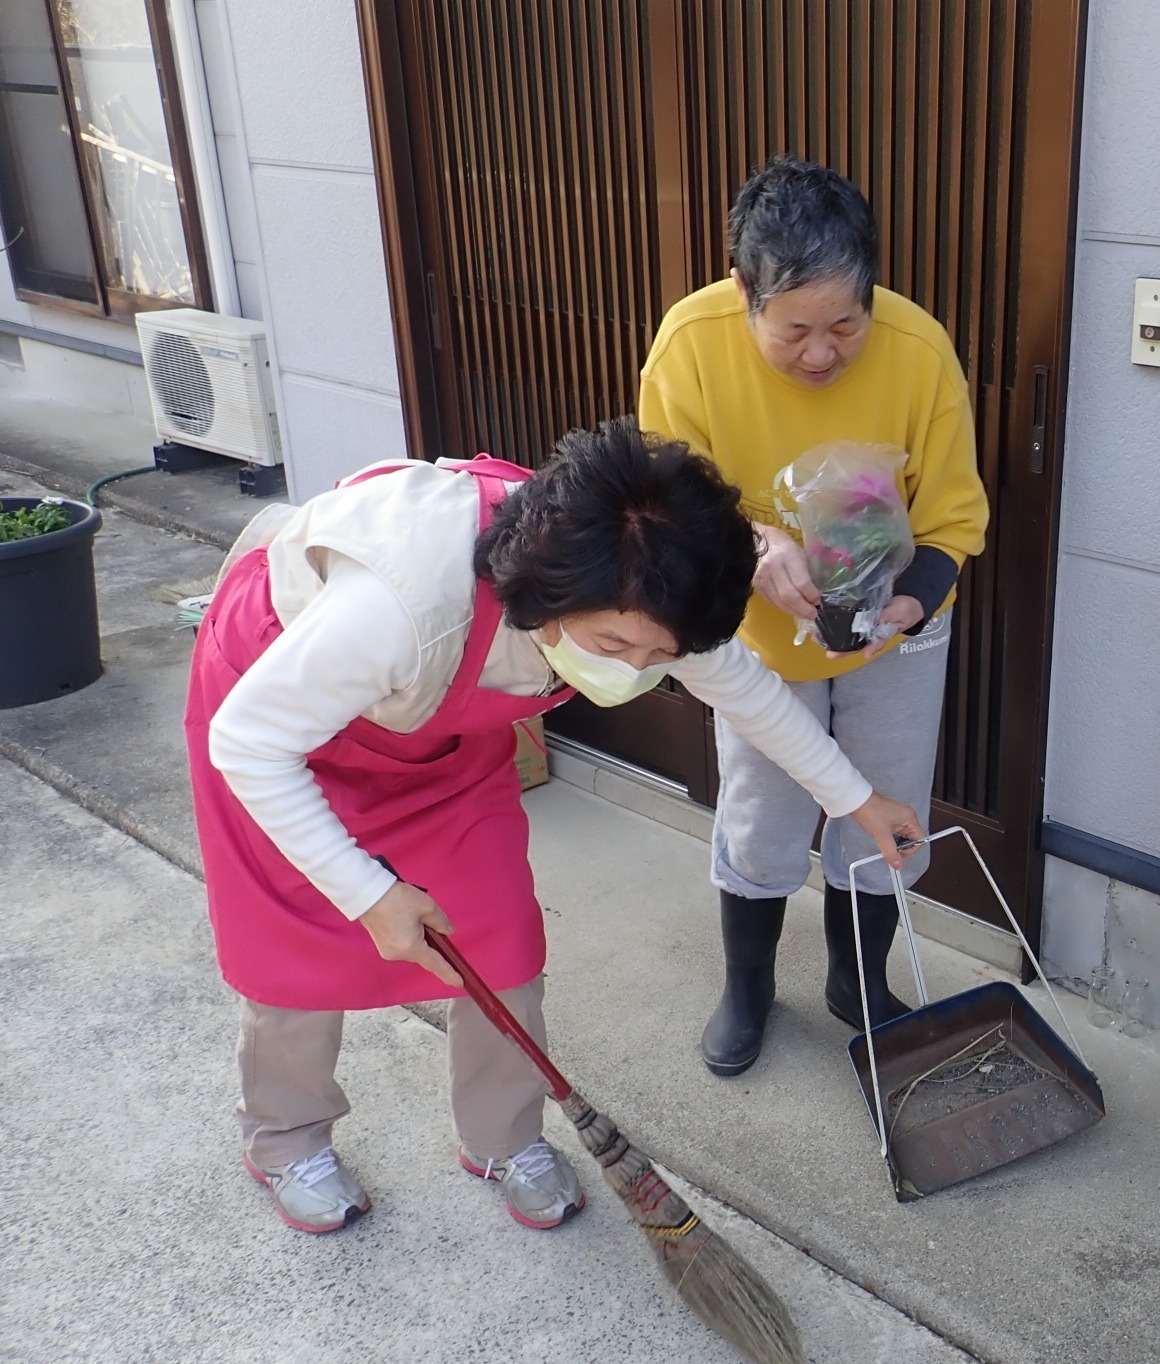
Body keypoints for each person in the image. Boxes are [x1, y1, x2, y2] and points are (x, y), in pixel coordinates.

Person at [185, 419, 923, 1233]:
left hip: (441, 743)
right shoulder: (400, 604)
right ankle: (287, 1140)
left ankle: (502, 1137)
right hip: (284, 732)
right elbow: (249, 744)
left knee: (499, 942)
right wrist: (367, 892)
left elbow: (745, 692)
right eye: (615, 644)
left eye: (657, 657)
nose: (635, 668)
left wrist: (856, 799)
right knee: (297, 952)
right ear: (551, 588)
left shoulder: (653, 595)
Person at [637, 156, 990, 1078]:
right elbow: (666, 500)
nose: (824, 353)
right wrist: (755, 550)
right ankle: (748, 984)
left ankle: (857, 980)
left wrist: (907, 605)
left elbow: (955, 520)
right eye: (794, 331)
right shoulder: (690, 345)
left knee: (884, 808)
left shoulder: (918, 351)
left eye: (846, 323)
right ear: (745, 294)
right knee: (763, 814)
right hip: (758, 641)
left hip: (896, 631)